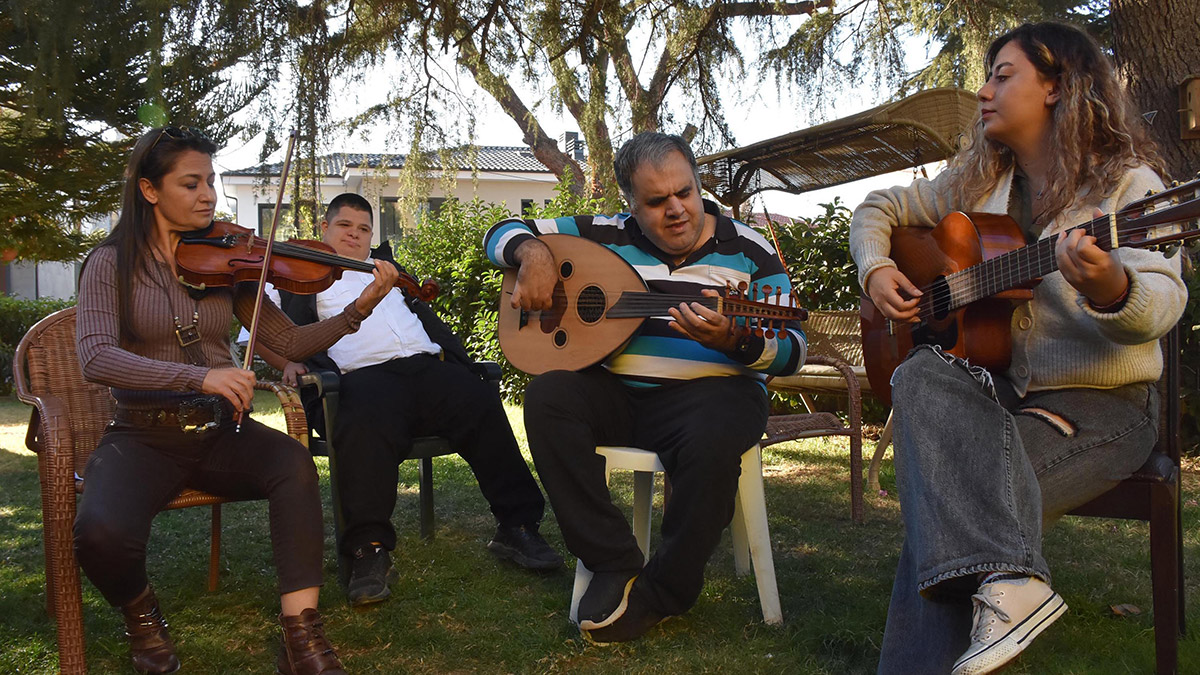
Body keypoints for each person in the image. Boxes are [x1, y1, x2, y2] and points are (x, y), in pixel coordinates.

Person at [849, 22, 1187, 675]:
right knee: (919, 372)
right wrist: (876, 268)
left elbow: (1162, 307)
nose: (983, 91)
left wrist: (1110, 285)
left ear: (1057, 86)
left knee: (947, 503)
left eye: (1003, 75)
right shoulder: (980, 185)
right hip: (1002, 394)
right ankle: (1015, 588)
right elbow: (878, 206)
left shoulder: (1131, 187)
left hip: (1103, 408)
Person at [75, 128, 400, 674]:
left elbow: (288, 344)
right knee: (99, 533)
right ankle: (141, 614)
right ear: (150, 190)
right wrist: (197, 378)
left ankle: (301, 636)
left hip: (217, 430)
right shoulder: (110, 263)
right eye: (191, 182)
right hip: (142, 433)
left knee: (294, 465)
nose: (208, 195)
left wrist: (359, 307)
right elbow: (97, 358)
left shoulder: (229, 261)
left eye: (211, 181)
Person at [483, 132, 808, 644]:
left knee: (718, 433)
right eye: (656, 201)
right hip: (618, 393)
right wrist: (532, 253)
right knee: (548, 397)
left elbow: (792, 349)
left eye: (686, 193)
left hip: (710, 399)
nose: (676, 209)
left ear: (700, 185)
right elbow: (499, 231)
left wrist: (736, 342)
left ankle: (663, 591)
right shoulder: (601, 234)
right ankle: (612, 559)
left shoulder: (749, 249)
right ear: (630, 204)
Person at [247, 192, 562, 607]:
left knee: (478, 398)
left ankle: (517, 528)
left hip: (425, 368)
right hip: (359, 379)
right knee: (364, 418)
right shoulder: (301, 276)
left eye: (363, 230)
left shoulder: (388, 272)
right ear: (325, 229)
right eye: (345, 227)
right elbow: (258, 334)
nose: (354, 236)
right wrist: (288, 360)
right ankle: (368, 550)